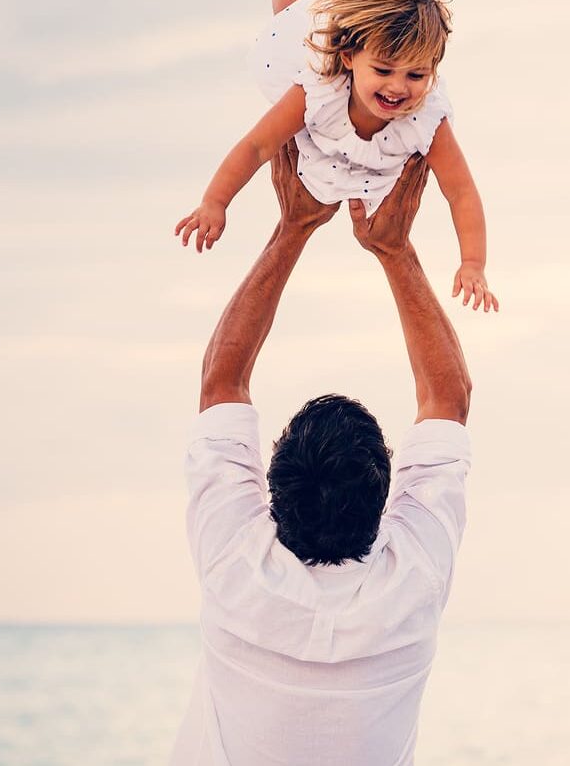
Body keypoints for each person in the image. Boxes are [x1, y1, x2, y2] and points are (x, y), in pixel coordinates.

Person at [169, 145, 473, 764]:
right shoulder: (412, 581)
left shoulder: (235, 567)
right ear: (386, 500)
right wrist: (395, 249)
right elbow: (449, 397)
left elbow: (220, 383)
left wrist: (294, 225)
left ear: (270, 496)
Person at [175, 0, 499, 313]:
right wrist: (215, 202)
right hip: (306, 60)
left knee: (303, 22)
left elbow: (460, 191)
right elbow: (257, 147)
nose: (398, 86)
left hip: (349, 144)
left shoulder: (427, 118)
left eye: (416, 74)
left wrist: (473, 263)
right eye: (382, 70)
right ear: (349, 58)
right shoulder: (317, 91)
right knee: (293, 20)